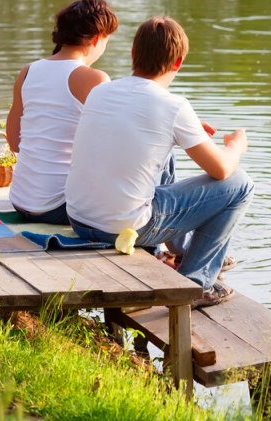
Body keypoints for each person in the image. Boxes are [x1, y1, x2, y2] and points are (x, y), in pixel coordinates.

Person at [66, 16, 254, 307]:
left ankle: (178, 250)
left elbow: (128, 132)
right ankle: (196, 284)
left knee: (165, 149)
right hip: (122, 228)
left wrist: (183, 131)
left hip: (79, 220)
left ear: (133, 54)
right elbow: (223, 169)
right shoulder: (174, 106)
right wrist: (236, 145)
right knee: (241, 185)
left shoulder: (100, 92)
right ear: (178, 63)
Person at [6, 0, 118, 224]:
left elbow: (15, 142)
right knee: (160, 153)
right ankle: (156, 248)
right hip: (61, 207)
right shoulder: (95, 79)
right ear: (97, 39)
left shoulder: (28, 72)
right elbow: (114, 148)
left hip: (21, 201)